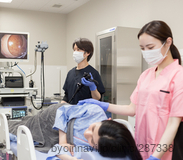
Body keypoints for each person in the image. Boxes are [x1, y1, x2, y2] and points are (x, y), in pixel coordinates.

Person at [78, 20, 183, 160]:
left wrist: (156, 157)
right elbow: (132, 109)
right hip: (141, 146)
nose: (146, 52)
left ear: (168, 42)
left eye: (150, 47)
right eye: (142, 48)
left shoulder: (179, 76)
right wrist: (103, 105)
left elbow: (172, 124)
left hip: (165, 151)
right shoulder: (146, 75)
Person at [9, 103, 141, 160]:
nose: (87, 134)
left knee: (32, 139)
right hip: (53, 116)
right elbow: (62, 112)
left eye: (92, 140)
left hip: (53, 138)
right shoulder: (95, 111)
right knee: (18, 128)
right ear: (108, 119)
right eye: (93, 128)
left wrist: (69, 158)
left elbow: (55, 150)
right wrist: (63, 141)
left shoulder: (90, 149)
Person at [61, 38, 105, 104]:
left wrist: (92, 87)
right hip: (71, 112)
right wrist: (61, 107)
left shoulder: (93, 73)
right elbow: (66, 95)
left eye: (78, 49)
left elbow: (97, 98)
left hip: (86, 112)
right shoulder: (70, 73)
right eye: (74, 50)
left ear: (87, 53)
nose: (75, 52)